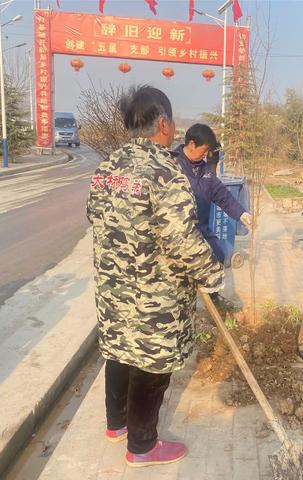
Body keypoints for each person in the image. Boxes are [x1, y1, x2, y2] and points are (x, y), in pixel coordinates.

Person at [86, 86, 225, 468]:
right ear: (163, 122)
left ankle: (116, 425)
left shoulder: (107, 168)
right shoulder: (165, 172)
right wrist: (212, 275)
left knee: (119, 349)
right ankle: (143, 445)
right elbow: (182, 240)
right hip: (155, 293)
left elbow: (94, 220)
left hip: (113, 289)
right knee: (151, 359)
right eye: (172, 118)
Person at [174, 124, 252, 306]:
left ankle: (214, 298)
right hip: (179, 231)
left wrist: (242, 214)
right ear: (192, 144)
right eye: (204, 150)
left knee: (218, 254)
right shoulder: (172, 165)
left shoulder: (206, 170)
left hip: (201, 227)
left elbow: (222, 195)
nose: (206, 155)